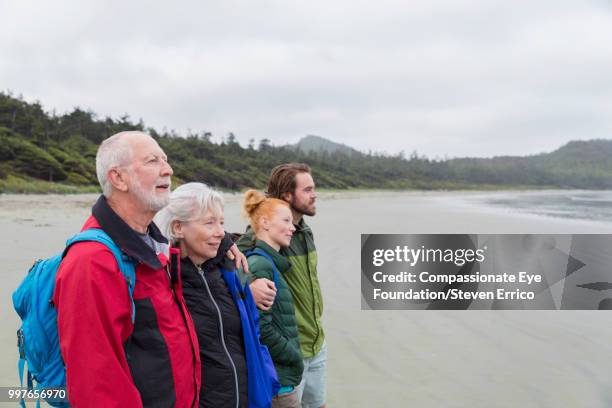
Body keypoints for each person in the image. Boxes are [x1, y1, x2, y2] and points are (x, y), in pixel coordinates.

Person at [53, 131, 247, 407]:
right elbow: (96, 386)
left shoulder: (152, 245)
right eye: (152, 161)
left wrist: (226, 241)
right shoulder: (93, 262)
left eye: (165, 160)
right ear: (118, 178)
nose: (167, 169)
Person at [154, 182, 278, 408]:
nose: (221, 232)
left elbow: (253, 331)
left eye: (221, 222)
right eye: (209, 222)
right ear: (178, 227)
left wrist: (266, 382)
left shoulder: (231, 272)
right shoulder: (163, 281)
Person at [237, 163, 326, 408]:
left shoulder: (304, 231)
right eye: (307, 189)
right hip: (290, 351)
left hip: (316, 343)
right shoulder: (265, 233)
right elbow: (236, 260)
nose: (314, 194)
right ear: (288, 195)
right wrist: (249, 285)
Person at [242, 189, 303, 408]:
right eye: (286, 220)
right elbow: (262, 330)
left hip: (281, 382)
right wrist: (294, 355)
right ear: (265, 223)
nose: (292, 227)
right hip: (278, 386)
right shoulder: (261, 265)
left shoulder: (268, 262)